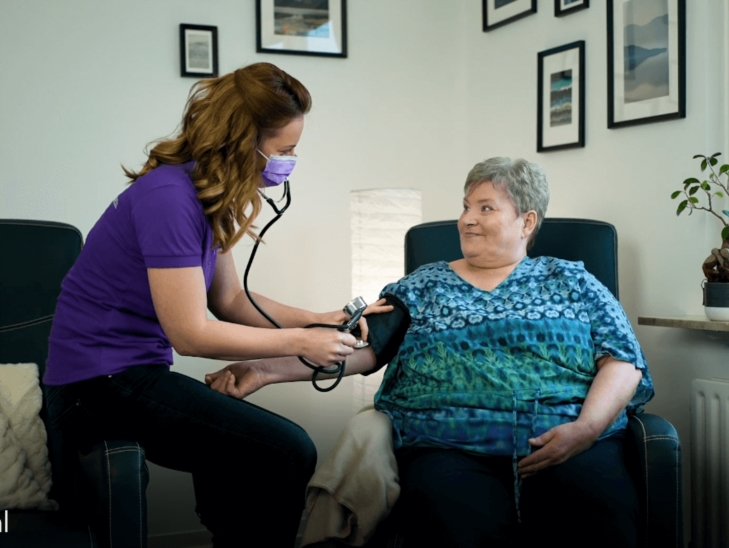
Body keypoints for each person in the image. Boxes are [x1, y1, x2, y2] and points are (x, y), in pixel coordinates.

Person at [206, 157, 655, 548]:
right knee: (453, 526)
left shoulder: (572, 280)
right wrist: (265, 370)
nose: (467, 219)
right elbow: (362, 350)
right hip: (449, 446)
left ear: (527, 222)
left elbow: (623, 359)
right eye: (465, 206)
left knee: (601, 522)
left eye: (485, 208)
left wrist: (585, 429)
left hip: (570, 440)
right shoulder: (424, 284)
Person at [43, 62, 388, 547]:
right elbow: (190, 334)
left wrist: (321, 319)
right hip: (95, 385)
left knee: (242, 445)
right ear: (242, 141)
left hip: (126, 373)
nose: (290, 161)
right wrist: (301, 341)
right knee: (289, 450)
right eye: (284, 150)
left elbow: (230, 300)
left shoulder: (206, 193)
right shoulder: (169, 197)